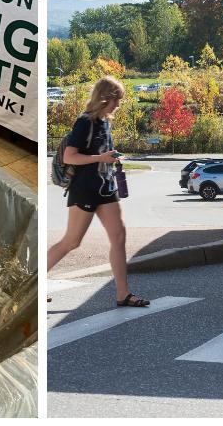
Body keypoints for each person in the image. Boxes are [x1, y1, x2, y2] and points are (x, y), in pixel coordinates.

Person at [47, 77, 150, 308]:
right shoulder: (85, 122)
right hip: (84, 189)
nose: (118, 105)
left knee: (119, 236)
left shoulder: (104, 122)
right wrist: (101, 158)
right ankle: (33, 284)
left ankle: (123, 294)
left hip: (105, 187)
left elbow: (101, 154)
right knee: (72, 242)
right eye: (116, 100)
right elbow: (69, 156)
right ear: (105, 97)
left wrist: (110, 158)